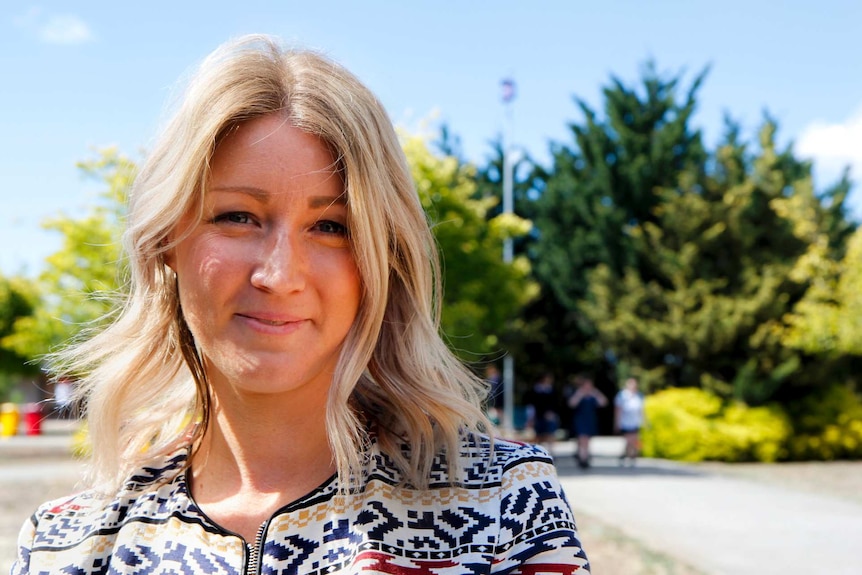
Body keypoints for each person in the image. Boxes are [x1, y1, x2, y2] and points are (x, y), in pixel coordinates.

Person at [13, 35, 590, 574]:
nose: (279, 274)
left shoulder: (507, 512)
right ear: (167, 239)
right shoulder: (67, 545)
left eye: (331, 226)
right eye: (237, 216)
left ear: (383, 258)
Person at [568, 375, 608, 469]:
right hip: (580, 419)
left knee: (587, 440)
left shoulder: (593, 395)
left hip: (590, 419)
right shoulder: (579, 394)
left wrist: (596, 392)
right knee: (582, 439)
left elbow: (603, 402)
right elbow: (572, 404)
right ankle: (583, 458)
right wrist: (580, 394)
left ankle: (585, 456)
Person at [524, 371, 561, 447]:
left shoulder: (552, 391)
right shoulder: (535, 391)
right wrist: (530, 418)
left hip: (549, 417)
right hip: (538, 416)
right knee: (539, 435)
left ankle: (550, 451)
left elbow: (556, 405)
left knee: (550, 434)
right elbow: (531, 407)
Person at [614, 377, 645, 465]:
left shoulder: (639, 395)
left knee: (635, 440)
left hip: (635, 421)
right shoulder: (622, 395)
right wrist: (617, 422)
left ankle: (633, 456)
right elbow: (618, 410)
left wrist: (644, 421)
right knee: (629, 440)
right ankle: (626, 454)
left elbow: (642, 410)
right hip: (625, 422)